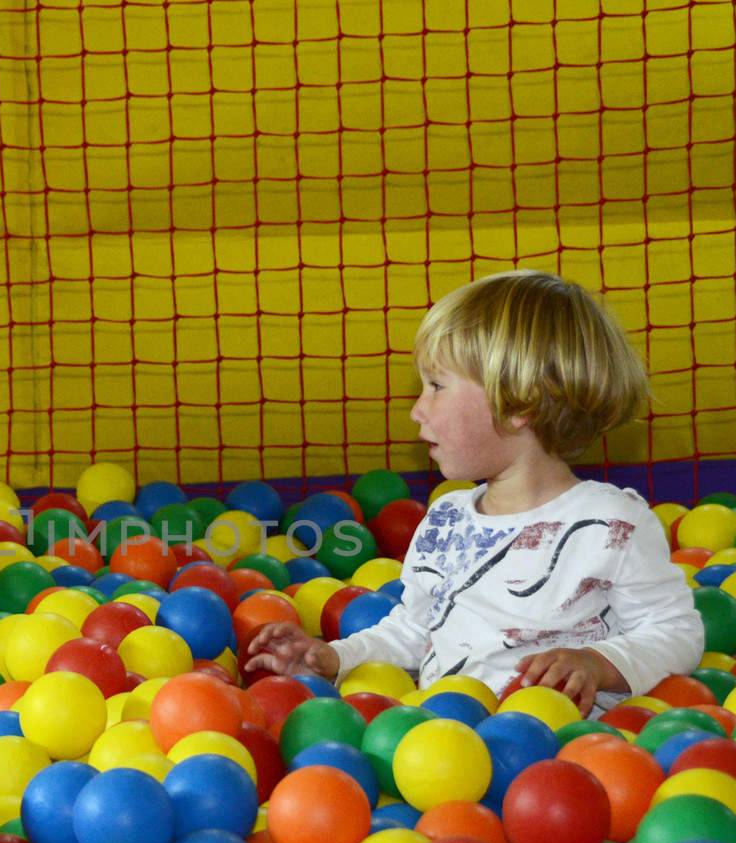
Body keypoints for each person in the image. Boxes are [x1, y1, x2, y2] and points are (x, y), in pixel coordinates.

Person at [246, 270, 705, 715]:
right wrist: (335, 659)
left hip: (565, 752)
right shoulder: (448, 520)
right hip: (444, 748)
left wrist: (598, 664)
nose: (417, 411)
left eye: (437, 386)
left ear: (519, 402)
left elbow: (676, 630)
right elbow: (413, 629)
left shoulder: (608, 524)